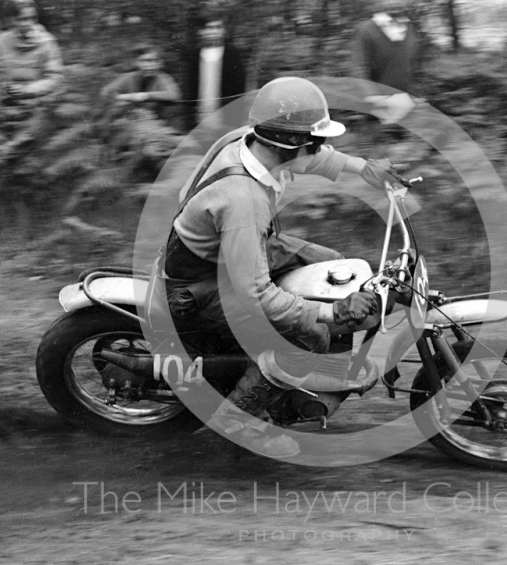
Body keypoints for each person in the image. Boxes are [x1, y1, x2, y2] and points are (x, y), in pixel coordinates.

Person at [161, 77, 405, 459]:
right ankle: (239, 420)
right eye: (315, 139)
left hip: (234, 248)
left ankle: (315, 378)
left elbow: (313, 155)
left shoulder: (251, 138)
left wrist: (364, 169)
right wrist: (328, 313)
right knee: (311, 330)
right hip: (201, 283)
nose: (320, 146)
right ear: (291, 143)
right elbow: (257, 295)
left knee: (334, 268)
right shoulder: (243, 199)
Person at [0, 0, 63, 152]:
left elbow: (55, 78)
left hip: (36, 112)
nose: (29, 23)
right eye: (23, 19)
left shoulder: (47, 43)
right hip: (2, 111)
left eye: (32, 18)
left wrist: (28, 90)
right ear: (11, 20)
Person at [352, 0, 420, 126]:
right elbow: (359, 68)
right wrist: (372, 96)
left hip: (407, 106)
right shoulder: (366, 29)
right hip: (378, 108)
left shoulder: (410, 28)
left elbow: (411, 66)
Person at [183, 17, 247, 130]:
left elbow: (238, 88)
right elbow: (190, 88)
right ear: (201, 31)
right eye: (209, 28)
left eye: (218, 27)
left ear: (223, 30)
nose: (213, 31)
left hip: (226, 119)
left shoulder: (232, 54)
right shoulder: (194, 55)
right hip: (201, 118)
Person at [100, 45, 181, 122]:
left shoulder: (163, 78)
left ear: (159, 63)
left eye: (151, 61)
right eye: (142, 61)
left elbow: (174, 95)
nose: (147, 65)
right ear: (137, 62)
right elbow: (106, 92)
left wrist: (145, 95)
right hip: (130, 120)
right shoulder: (129, 77)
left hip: (156, 122)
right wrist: (126, 98)